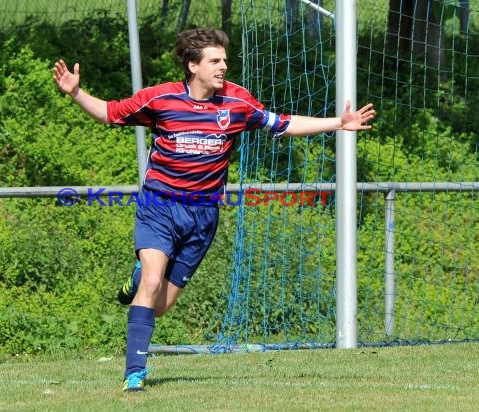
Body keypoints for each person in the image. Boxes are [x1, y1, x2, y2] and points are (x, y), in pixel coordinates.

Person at [53, 27, 375, 392]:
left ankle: (138, 278)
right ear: (193, 65)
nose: (223, 66)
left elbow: (282, 124)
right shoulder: (161, 99)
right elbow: (110, 113)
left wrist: (338, 123)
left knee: (159, 306)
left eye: (225, 60)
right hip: (160, 207)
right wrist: (76, 92)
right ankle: (134, 375)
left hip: (203, 217)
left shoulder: (237, 103)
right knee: (155, 279)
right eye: (215, 60)